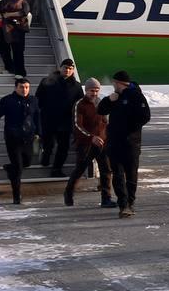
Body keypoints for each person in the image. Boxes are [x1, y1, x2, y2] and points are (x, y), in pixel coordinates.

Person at [97, 70, 150, 218]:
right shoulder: (115, 97)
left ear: (118, 83)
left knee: (131, 175)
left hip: (131, 144)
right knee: (118, 175)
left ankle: (130, 202)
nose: (113, 85)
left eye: (114, 83)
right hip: (114, 143)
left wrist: (129, 130)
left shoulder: (136, 96)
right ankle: (123, 205)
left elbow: (145, 116)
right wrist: (109, 100)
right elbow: (100, 110)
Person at [0, 76, 40, 205]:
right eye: (21, 87)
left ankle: (10, 168)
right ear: (16, 88)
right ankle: (16, 196)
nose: (24, 90)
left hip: (28, 138)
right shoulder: (7, 100)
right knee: (18, 168)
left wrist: (39, 133)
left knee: (27, 162)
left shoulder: (33, 100)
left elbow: (37, 117)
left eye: (27, 87)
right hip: (13, 139)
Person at [64, 77, 115, 208]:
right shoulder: (80, 104)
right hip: (86, 143)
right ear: (86, 90)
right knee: (80, 169)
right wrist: (91, 137)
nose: (94, 93)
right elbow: (77, 126)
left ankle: (106, 198)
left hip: (101, 142)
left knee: (106, 170)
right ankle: (68, 193)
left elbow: (105, 122)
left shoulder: (100, 103)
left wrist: (106, 137)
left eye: (97, 90)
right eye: (92, 90)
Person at [36, 59, 83, 176]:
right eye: (65, 67)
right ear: (60, 68)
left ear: (73, 70)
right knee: (48, 143)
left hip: (65, 121)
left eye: (70, 68)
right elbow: (38, 99)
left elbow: (79, 104)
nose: (67, 70)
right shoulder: (47, 81)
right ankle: (46, 156)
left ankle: (56, 169)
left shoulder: (76, 86)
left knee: (63, 147)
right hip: (48, 119)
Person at [0, 0, 31, 76]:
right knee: (3, 50)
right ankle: (10, 68)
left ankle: (20, 72)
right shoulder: (4, 2)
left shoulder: (24, 3)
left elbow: (24, 12)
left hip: (18, 30)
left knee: (18, 52)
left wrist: (8, 15)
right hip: (5, 29)